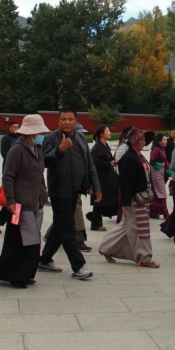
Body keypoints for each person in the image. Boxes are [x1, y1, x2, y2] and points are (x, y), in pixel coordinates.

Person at [0, 115, 51, 287]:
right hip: (21, 203)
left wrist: (43, 194)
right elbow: (8, 176)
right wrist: (11, 200)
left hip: (36, 201)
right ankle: (16, 275)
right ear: (31, 132)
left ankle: (25, 273)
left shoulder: (37, 149)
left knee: (32, 240)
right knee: (25, 240)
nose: (42, 135)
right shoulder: (17, 149)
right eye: (40, 132)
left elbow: (40, 174)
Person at [38, 106, 100, 280]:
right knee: (68, 228)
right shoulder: (51, 138)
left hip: (75, 190)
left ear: (76, 121)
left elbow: (89, 164)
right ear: (58, 121)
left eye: (70, 119)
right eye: (63, 119)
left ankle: (44, 259)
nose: (67, 122)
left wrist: (95, 186)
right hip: (59, 191)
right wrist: (60, 149)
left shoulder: (80, 138)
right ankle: (78, 265)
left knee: (60, 226)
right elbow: (43, 161)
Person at [98, 129, 160, 268]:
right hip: (134, 199)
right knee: (141, 229)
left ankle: (106, 247)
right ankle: (145, 257)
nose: (143, 142)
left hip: (142, 197)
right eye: (141, 140)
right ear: (133, 141)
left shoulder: (139, 156)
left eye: (144, 140)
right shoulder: (128, 158)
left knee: (126, 226)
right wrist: (125, 201)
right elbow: (125, 182)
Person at [87, 125, 118, 231]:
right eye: (107, 131)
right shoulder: (97, 148)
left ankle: (94, 217)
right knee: (99, 201)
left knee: (106, 201)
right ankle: (96, 224)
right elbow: (95, 162)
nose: (110, 132)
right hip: (100, 178)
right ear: (101, 134)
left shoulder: (105, 146)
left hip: (107, 177)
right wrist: (108, 164)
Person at [0, 121, 21, 233]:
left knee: (16, 202)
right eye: (14, 127)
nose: (16, 129)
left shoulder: (20, 138)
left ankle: (5, 222)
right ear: (9, 128)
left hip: (20, 172)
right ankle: (3, 222)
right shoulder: (6, 139)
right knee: (13, 201)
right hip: (10, 171)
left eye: (18, 127)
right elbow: (4, 154)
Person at [73, 122, 92, 252]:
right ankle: (79, 240)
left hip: (79, 185)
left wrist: (88, 184)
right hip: (69, 187)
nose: (82, 136)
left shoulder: (83, 148)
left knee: (67, 214)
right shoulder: (68, 146)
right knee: (76, 212)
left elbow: (88, 167)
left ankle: (50, 236)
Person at [149, 133, 171, 219]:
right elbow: (152, 161)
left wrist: (171, 172)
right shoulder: (155, 149)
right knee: (160, 192)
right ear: (159, 141)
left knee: (158, 192)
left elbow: (166, 162)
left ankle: (154, 212)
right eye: (164, 140)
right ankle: (165, 212)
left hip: (160, 172)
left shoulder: (162, 149)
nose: (166, 141)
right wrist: (160, 165)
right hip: (155, 173)